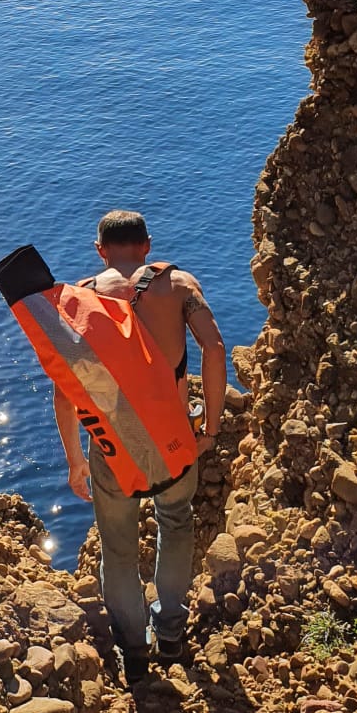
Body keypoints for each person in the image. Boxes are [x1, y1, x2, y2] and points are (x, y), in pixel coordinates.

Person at [52, 209, 225, 681]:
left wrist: (74, 459)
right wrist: (210, 428)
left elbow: (66, 386)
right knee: (174, 521)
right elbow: (214, 348)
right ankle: (170, 630)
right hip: (174, 437)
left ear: (100, 250)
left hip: (111, 445)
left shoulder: (80, 298)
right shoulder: (181, 285)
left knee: (119, 551)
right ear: (147, 246)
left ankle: (134, 647)